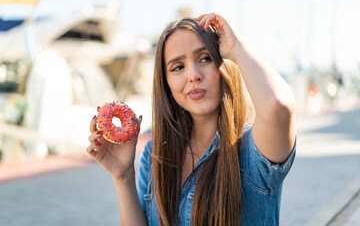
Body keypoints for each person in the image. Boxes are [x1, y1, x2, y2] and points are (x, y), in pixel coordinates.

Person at [87, 12, 296, 226]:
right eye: (178, 67)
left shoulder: (253, 152)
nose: (193, 75)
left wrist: (238, 48)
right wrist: (123, 176)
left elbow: (278, 107)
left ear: (224, 64)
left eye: (205, 58)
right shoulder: (155, 154)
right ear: (166, 83)